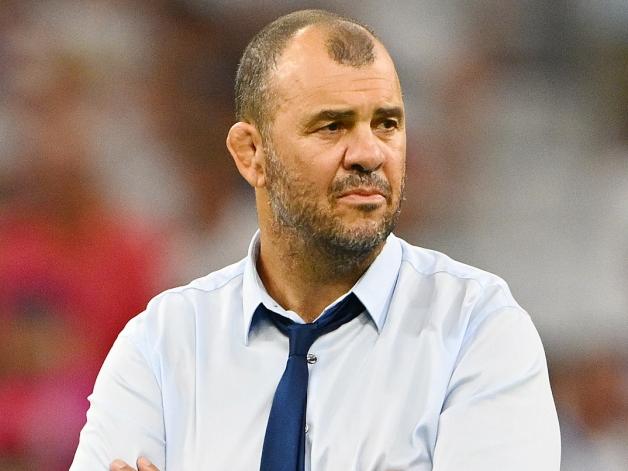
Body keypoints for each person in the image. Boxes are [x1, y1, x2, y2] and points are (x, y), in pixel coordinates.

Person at [70, 9, 560, 471]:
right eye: (332, 126)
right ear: (251, 152)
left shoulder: (478, 331)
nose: (369, 153)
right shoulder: (161, 344)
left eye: (387, 123)